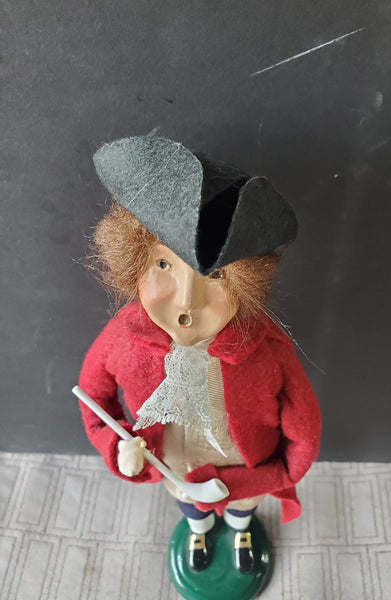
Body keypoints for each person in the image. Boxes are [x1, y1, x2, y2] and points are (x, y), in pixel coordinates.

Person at [78, 132, 321, 574]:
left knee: (242, 507)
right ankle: (198, 529)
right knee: (191, 506)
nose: (186, 302)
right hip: (176, 468)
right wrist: (119, 446)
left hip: (246, 469)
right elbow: (94, 399)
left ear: (245, 281)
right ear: (134, 261)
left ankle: (242, 528)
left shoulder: (264, 347)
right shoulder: (123, 339)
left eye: (217, 276)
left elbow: (302, 418)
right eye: (164, 264)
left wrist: (282, 473)